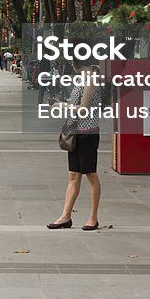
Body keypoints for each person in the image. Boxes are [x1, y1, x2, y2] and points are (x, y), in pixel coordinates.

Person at [47, 66, 104, 231]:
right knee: (73, 175)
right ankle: (65, 216)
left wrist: (61, 105)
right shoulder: (80, 79)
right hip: (74, 132)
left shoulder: (91, 80)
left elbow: (83, 108)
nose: (71, 63)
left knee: (91, 175)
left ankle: (93, 218)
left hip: (88, 133)